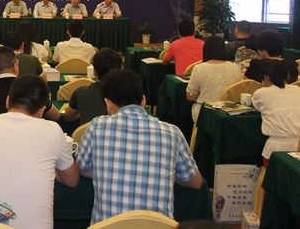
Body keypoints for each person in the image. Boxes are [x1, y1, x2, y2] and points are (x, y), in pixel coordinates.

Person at [77, 69, 202, 223]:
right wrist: (169, 171)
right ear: (143, 101)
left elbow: (82, 168)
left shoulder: (97, 126)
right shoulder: (172, 132)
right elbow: (196, 182)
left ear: (108, 103)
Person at [0, 75, 79, 229]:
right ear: (41, 111)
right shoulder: (53, 130)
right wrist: (52, 168)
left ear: (7, 101)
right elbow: (72, 181)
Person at [252, 59, 300, 166]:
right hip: (298, 148)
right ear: (287, 76)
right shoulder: (298, 90)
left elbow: (258, 108)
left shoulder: (261, 93)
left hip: (275, 149)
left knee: (268, 171)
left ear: (266, 77)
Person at [186, 36, 243, 122]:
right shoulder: (235, 67)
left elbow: (190, 96)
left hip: (205, 112)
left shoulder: (199, 68)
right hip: (230, 113)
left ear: (205, 50)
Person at [65, 48, 123, 125]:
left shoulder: (81, 93)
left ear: (94, 72)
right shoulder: (128, 95)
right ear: (121, 69)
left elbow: (68, 117)